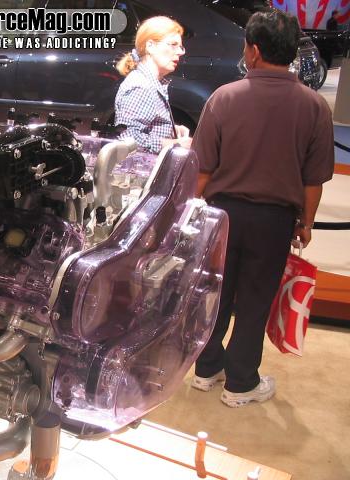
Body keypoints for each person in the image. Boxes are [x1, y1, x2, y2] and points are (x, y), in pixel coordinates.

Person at [191, 10, 334, 407]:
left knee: (214, 293)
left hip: (221, 215)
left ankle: (205, 369)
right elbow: (313, 180)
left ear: (253, 51)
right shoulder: (314, 106)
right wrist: (306, 223)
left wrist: (190, 211)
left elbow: (202, 170)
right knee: (254, 301)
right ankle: (240, 384)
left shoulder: (224, 97)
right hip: (274, 220)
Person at [114, 16, 192, 154]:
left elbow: (144, 128)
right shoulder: (141, 86)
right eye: (173, 45)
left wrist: (170, 130)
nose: (180, 52)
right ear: (150, 46)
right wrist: (174, 144)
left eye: (180, 47)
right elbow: (129, 138)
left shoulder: (150, 82)